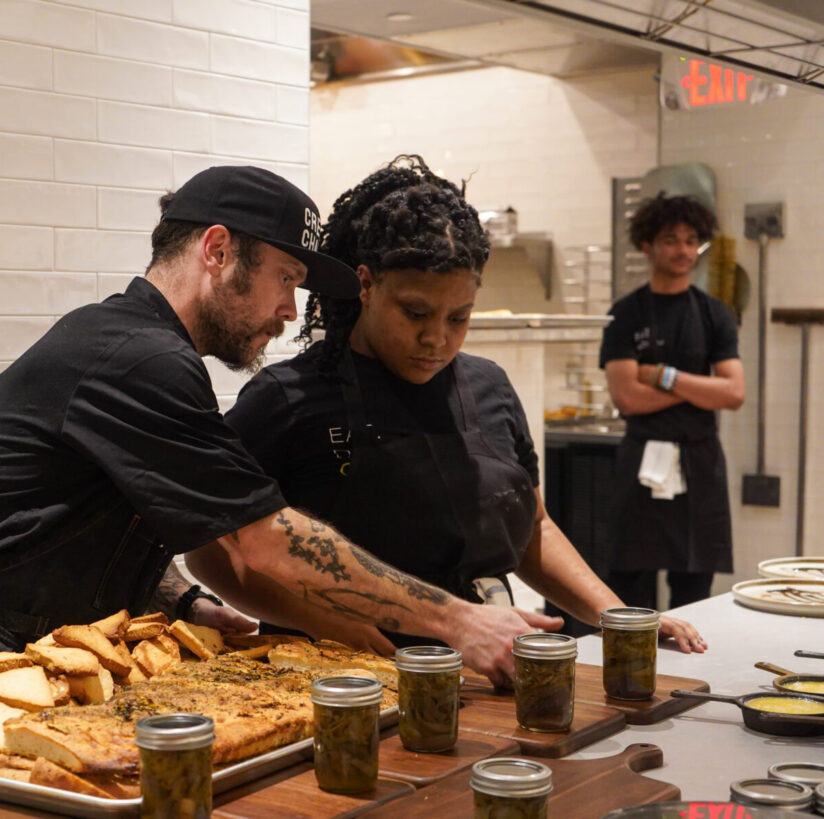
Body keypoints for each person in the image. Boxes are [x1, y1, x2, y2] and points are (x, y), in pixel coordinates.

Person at [0, 164, 572, 699]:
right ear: (218, 250)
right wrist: (457, 621)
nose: (292, 311)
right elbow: (265, 537)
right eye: (287, 278)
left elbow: (88, 517)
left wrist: (183, 600)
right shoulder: (140, 357)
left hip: (25, 667)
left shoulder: (140, 348)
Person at [199, 156, 704, 689]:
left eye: (459, 317)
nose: (437, 338)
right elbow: (212, 551)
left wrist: (617, 617)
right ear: (366, 285)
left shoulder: (489, 387)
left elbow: (531, 527)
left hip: (488, 674)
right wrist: (323, 621)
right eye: (415, 313)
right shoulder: (287, 399)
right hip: (337, 682)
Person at [599, 192, 745, 611]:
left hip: (700, 464)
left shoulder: (715, 314)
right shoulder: (625, 314)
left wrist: (663, 376)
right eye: (670, 240)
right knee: (629, 592)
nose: (682, 250)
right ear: (648, 245)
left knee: (695, 591)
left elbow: (734, 392)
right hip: (641, 461)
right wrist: (700, 391)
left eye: (690, 240)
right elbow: (627, 397)